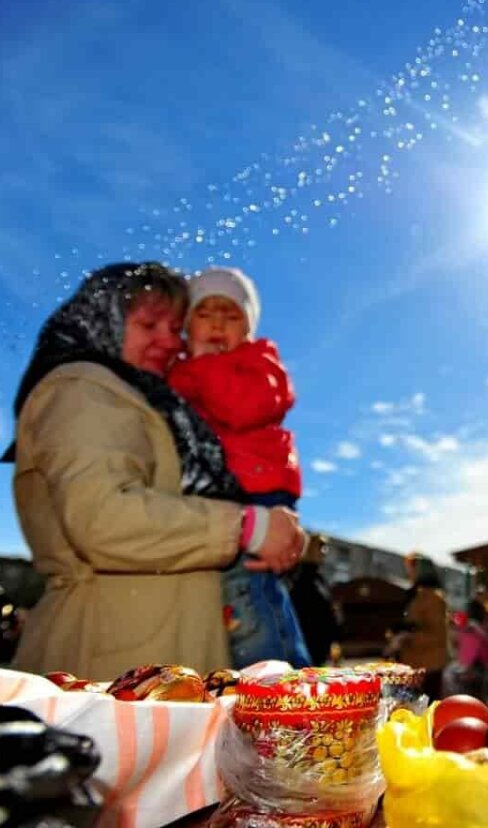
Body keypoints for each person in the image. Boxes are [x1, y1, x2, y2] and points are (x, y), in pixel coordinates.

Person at [4, 263, 305, 678]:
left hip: (154, 656)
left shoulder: (152, 400)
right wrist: (248, 527)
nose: (168, 341)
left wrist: (275, 535)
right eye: (149, 325)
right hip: (109, 663)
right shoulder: (83, 387)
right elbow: (103, 518)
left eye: (174, 328)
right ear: (103, 318)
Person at [168, 266, 311, 668]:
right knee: (227, 605)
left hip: (256, 490)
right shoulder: (179, 370)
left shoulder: (257, 362)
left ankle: (283, 686)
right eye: (204, 313)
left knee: (250, 598)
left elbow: (242, 408)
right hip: (220, 493)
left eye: (231, 315)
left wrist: (202, 365)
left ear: (248, 328)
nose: (217, 323)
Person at [391, 553, 449, 699]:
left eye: (410, 567)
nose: (407, 572)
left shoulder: (433, 598)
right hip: (415, 665)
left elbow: (437, 636)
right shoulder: (417, 594)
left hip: (428, 667)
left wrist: (406, 637)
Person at [287, 534, 341, 665]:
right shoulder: (296, 578)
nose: (324, 552)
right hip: (306, 650)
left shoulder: (320, 579)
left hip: (321, 650)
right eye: (320, 546)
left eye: (325, 547)